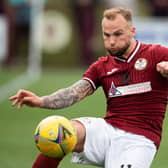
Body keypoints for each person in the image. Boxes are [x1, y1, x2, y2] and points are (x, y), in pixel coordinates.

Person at [9, 7, 168, 168]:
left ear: (132, 31)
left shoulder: (156, 54)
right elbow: (73, 93)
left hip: (140, 141)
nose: (111, 41)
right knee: (58, 132)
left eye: (118, 34)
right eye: (107, 35)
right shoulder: (101, 66)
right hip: (108, 130)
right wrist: (40, 101)